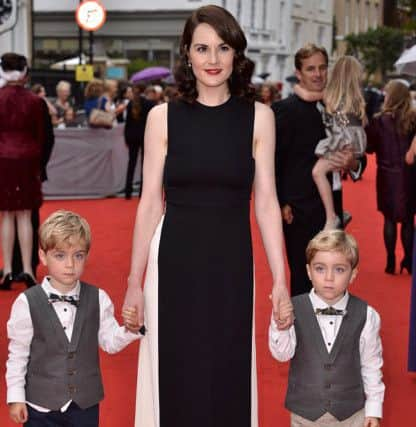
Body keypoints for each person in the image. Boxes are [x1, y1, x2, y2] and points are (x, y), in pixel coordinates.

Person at [122, 5, 292, 426]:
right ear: (187, 53)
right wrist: (132, 281)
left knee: (228, 368)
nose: (213, 60)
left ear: (236, 55)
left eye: (222, 48)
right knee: (176, 367)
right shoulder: (162, 118)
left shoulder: (260, 118)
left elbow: (267, 202)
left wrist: (281, 278)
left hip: (233, 261)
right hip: (174, 261)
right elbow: (148, 204)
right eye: (202, 48)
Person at [5, 210, 143, 426]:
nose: (70, 264)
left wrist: (131, 329)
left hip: (84, 407)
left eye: (78, 255)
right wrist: (15, 397)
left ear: (86, 256)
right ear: (43, 256)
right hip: (40, 407)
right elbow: (18, 354)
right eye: (60, 255)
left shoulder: (98, 298)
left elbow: (110, 342)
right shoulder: (26, 303)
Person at [272, 44, 365, 296]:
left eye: (322, 67)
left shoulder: (337, 107)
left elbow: (360, 156)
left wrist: (352, 164)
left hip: (332, 208)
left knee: (333, 278)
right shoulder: (284, 110)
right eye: (310, 69)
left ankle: (329, 334)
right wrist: (281, 203)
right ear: (298, 73)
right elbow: (273, 163)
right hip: (299, 210)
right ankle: (302, 334)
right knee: (304, 279)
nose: (318, 74)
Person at [269, 229, 385, 427]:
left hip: (351, 417)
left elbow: (371, 364)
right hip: (305, 416)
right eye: (320, 268)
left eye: (339, 269)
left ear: (353, 274)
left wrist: (374, 409)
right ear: (308, 272)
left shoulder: (367, 315)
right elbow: (282, 354)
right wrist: (281, 326)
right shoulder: (292, 308)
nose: (329, 277)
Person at [295, 56, 367, 230]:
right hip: (353, 141)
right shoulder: (356, 99)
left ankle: (331, 216)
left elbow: (304, 94)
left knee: (318, 172)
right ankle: (336, 214)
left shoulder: (330, 96)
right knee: (323, 171)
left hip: (341, 140)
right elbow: (363, 124)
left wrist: (296, 87)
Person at [0, 53, 45, 290]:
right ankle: (28, 269)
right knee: (26, 216)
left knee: (6, 215)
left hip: (3, 160)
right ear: (25, 72)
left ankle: (7, 269)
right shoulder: (35, 101)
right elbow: (41, 136)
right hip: (27, 159)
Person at [366, 79, 416, 274]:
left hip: (386, 174)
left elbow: (369, 147)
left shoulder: (379, 121)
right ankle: (408, 260)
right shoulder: (413, 120)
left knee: (389, 219)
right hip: (410, 175)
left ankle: (390, 260)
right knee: (408, 220)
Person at [123, 83, 155, 199]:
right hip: (144, 136)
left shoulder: (130, 104)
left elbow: (127, 123)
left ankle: (128, 192)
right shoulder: (149, 104)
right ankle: (142, 192)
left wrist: (126, 137)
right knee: (144, 165)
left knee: (131, 163)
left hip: (132, 136)